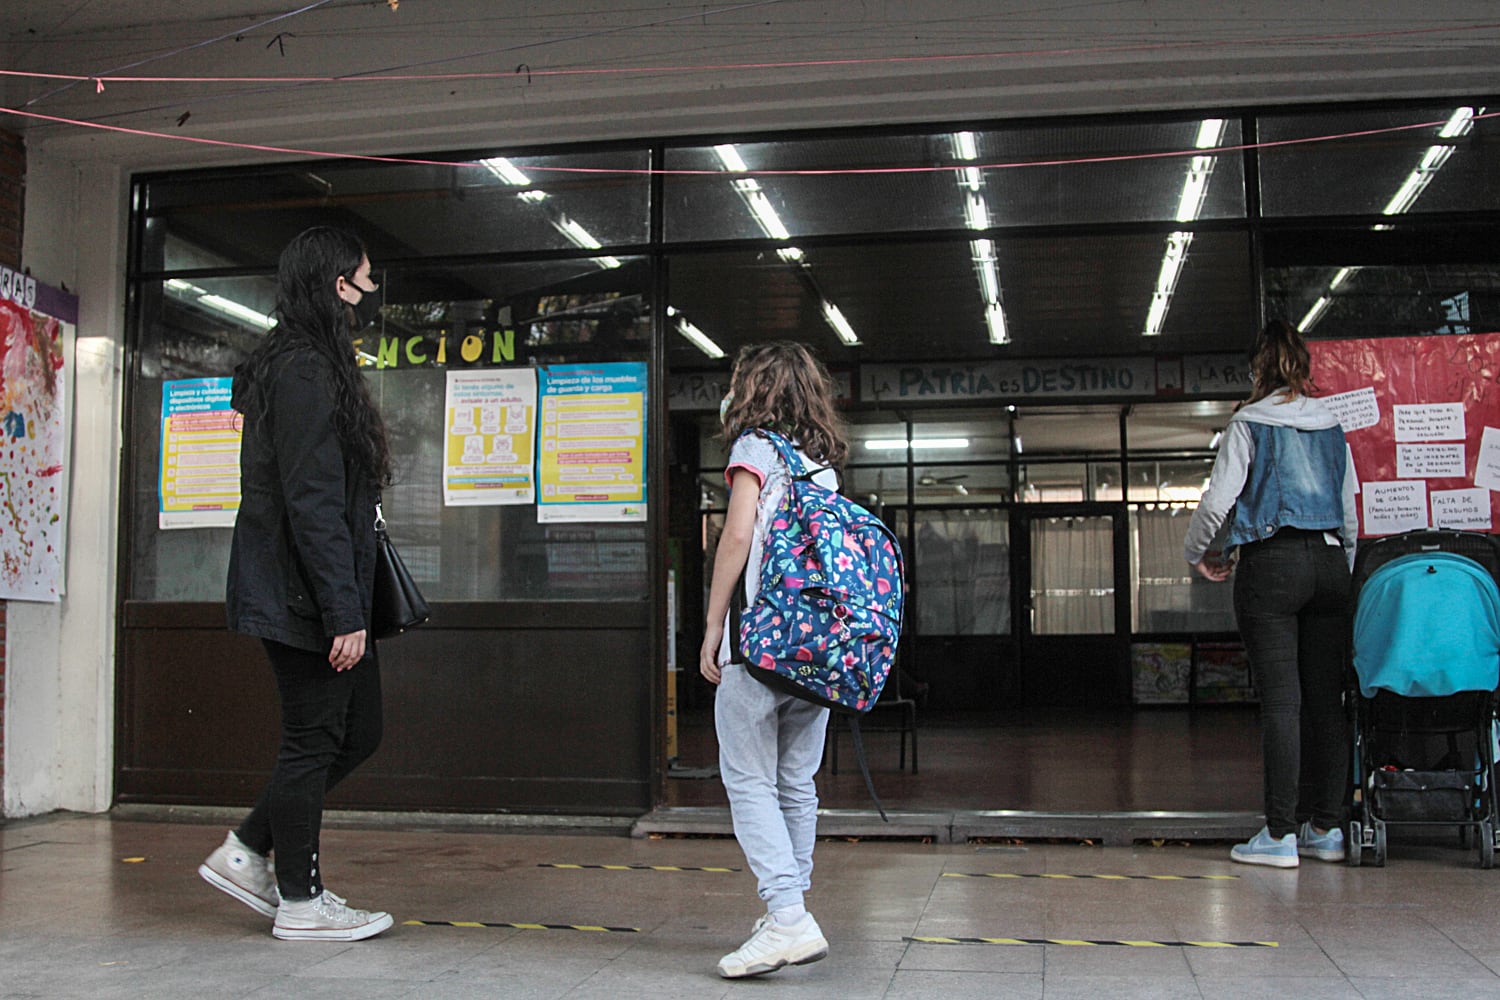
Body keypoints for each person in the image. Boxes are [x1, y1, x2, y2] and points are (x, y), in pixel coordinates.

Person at [198, 226, 395, 940]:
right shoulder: (305, 371)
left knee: (359, 729)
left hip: (317, 588)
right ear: (336, 285)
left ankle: (249, 847)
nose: (371, 298)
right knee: (313, 739)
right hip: (303, 592)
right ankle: (301, 903)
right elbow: (310, 500)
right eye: (366, 284)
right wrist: (343, 611)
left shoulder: (312, 364)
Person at [1184, 318, 1358, 868]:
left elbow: (1219, 501)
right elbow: (1352, 508)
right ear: (1303, 367)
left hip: (1272, 565)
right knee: (1326, 701)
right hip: (1330, 563)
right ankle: (1326, 828)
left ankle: (1280, 835)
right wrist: (1342, 563)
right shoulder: (1331, 425)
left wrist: (1196, 553)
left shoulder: (1249, 422)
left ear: (1257, 368)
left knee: (1284, 701)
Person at [699, 341, 845, 978]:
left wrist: (711, 626)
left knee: (749, 780)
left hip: (759, 646)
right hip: (815, 652)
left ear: (753, 389)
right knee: (795, 784)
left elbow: (736, 536)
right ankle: (792, 911)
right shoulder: (823, 467)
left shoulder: (754, 450)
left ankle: (786, 915)